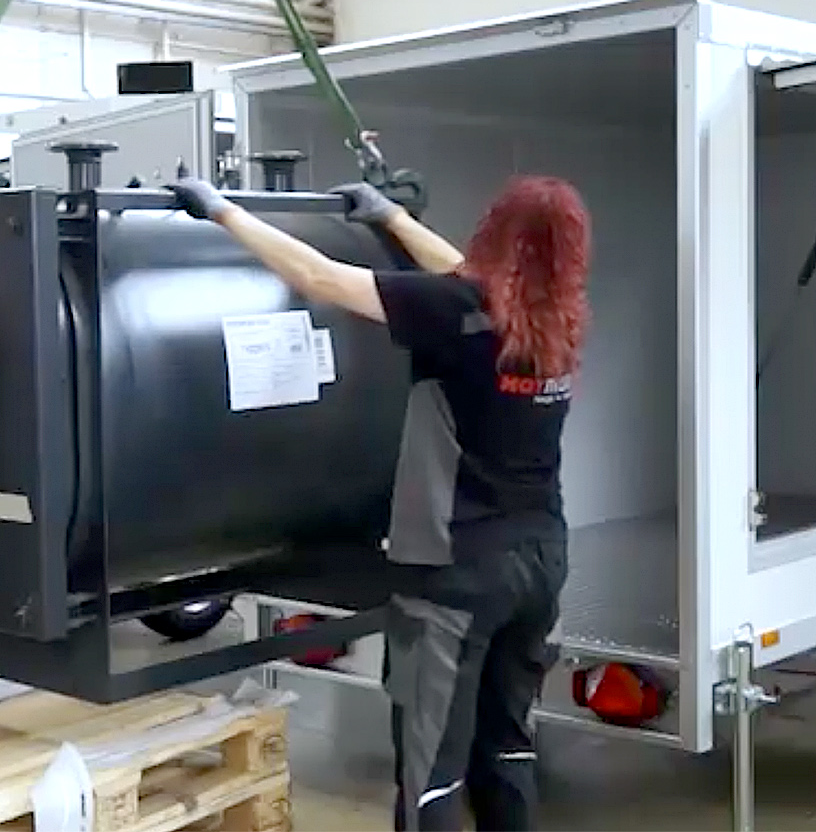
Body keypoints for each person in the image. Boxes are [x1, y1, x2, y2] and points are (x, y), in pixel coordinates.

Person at [168, 172, 589, 832]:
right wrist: (393, 219)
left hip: (458, 574)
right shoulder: (556, 321)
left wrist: (224, 213)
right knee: (505, 748)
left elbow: (321, 278)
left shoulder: (456, 312)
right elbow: (463, 273)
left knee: (431, 775)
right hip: (542, 562)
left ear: (499, 233)